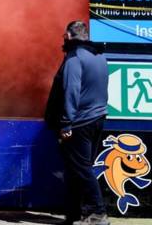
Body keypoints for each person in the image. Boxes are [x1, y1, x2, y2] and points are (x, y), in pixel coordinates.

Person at [45, 20, 109, 225]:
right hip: (97, 119)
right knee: (76, 170)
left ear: (69, 36)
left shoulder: (74, 58)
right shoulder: (99, 55)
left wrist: (66, 123)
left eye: (65, 37)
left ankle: (98, 214)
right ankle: (75, 214)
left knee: (81, 169)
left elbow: (70, 91)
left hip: (79, 123)